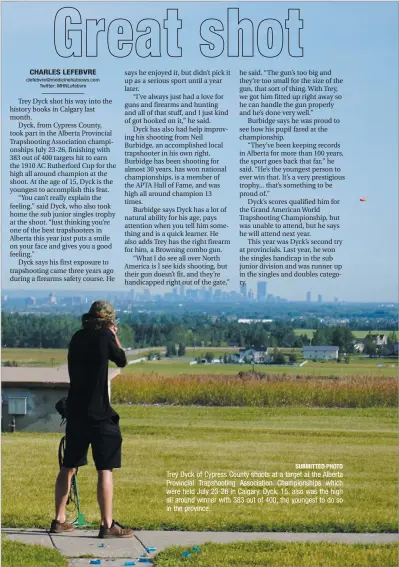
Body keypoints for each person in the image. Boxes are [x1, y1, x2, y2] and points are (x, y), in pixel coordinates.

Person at [50, 300, 134, 538]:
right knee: (105, 469)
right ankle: (107, 525)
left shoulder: (77, 337)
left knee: (69, 467)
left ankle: (59, 519)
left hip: (76, 412)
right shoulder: (105, 336)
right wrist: (114, 336)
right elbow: (122, 360)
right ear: (109, 321)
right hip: (100, 415)